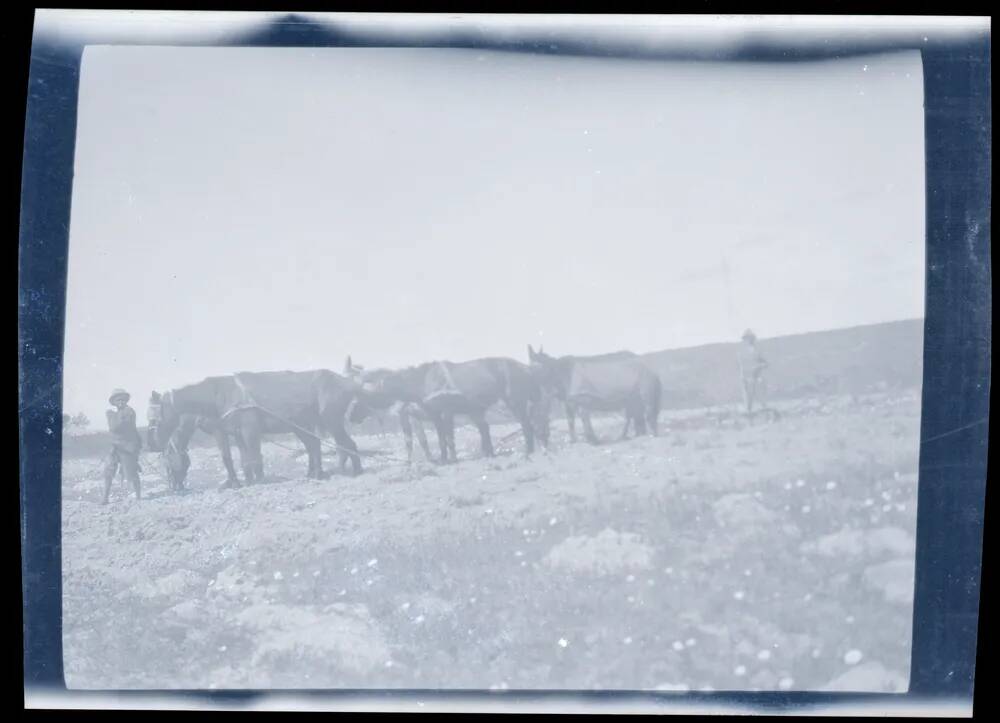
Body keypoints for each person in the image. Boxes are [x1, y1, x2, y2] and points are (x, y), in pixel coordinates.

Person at [103, 388, 143, 504]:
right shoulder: (113, 413)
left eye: (122, 400)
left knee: (131, 473)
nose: (120, 402)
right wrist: (112, 416)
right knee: (108, 471)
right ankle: (105, 498)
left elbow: (116, 427)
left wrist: (112, 416)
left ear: (126, 400)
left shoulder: (129, 411)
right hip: (115, 447)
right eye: (117, 400)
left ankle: (138, 497)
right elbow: (113, 427)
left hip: (128, 446)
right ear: (114, 402)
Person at [737, 329, 772, 422]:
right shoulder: (741, 352)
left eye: (751, 338)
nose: (749, 340)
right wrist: (743, 378)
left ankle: (767, 418)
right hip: (746, 379)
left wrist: (759, 366)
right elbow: (740, 367)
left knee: (762, 400)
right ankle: (750, 422)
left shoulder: (757, 351)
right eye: (747, 338)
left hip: (757, 378)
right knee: (748, 402)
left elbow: (766, 363)